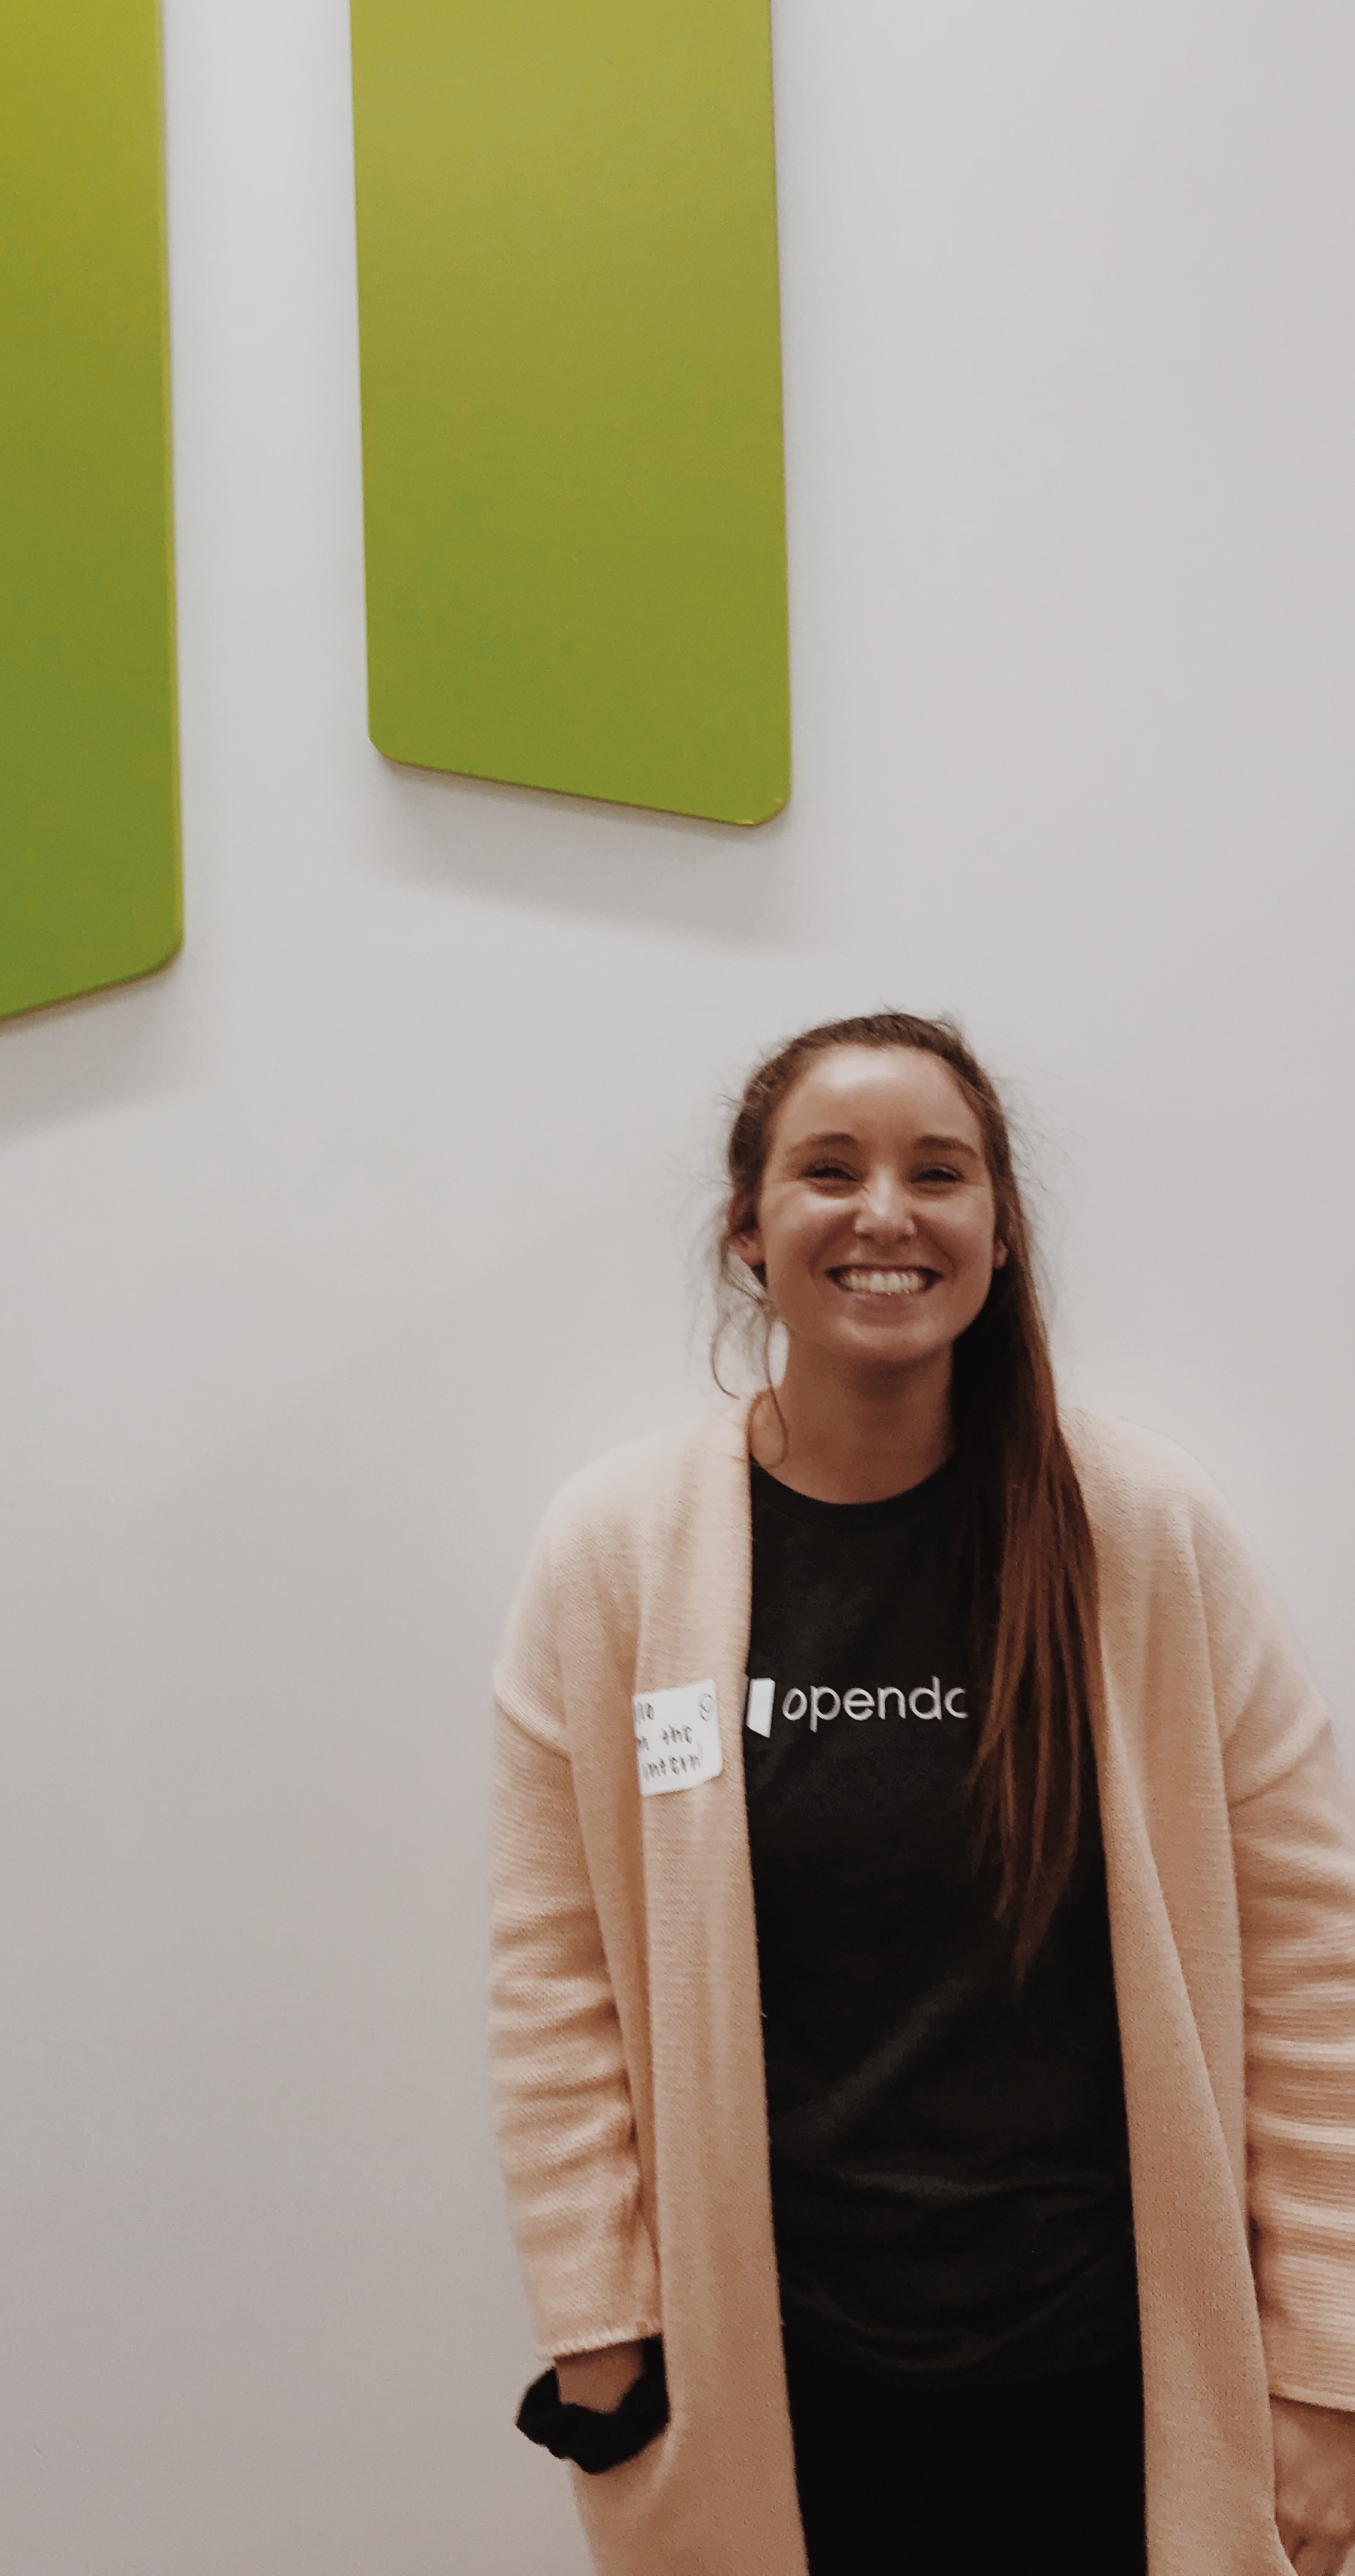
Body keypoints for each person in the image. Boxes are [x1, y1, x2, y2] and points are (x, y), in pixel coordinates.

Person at [489, 1013, 1355, 2576]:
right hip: (778, 2397)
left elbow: (1310, 1968)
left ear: (1000, 1230)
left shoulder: (1141, 1533)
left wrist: (1326, 2370)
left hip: (1115, 2388)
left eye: (936, 1173)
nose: (886, 1213)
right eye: (830, 1171)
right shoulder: (619, 1554)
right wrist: (598, 2328)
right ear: (750, 1231)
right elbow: (557, 1981)